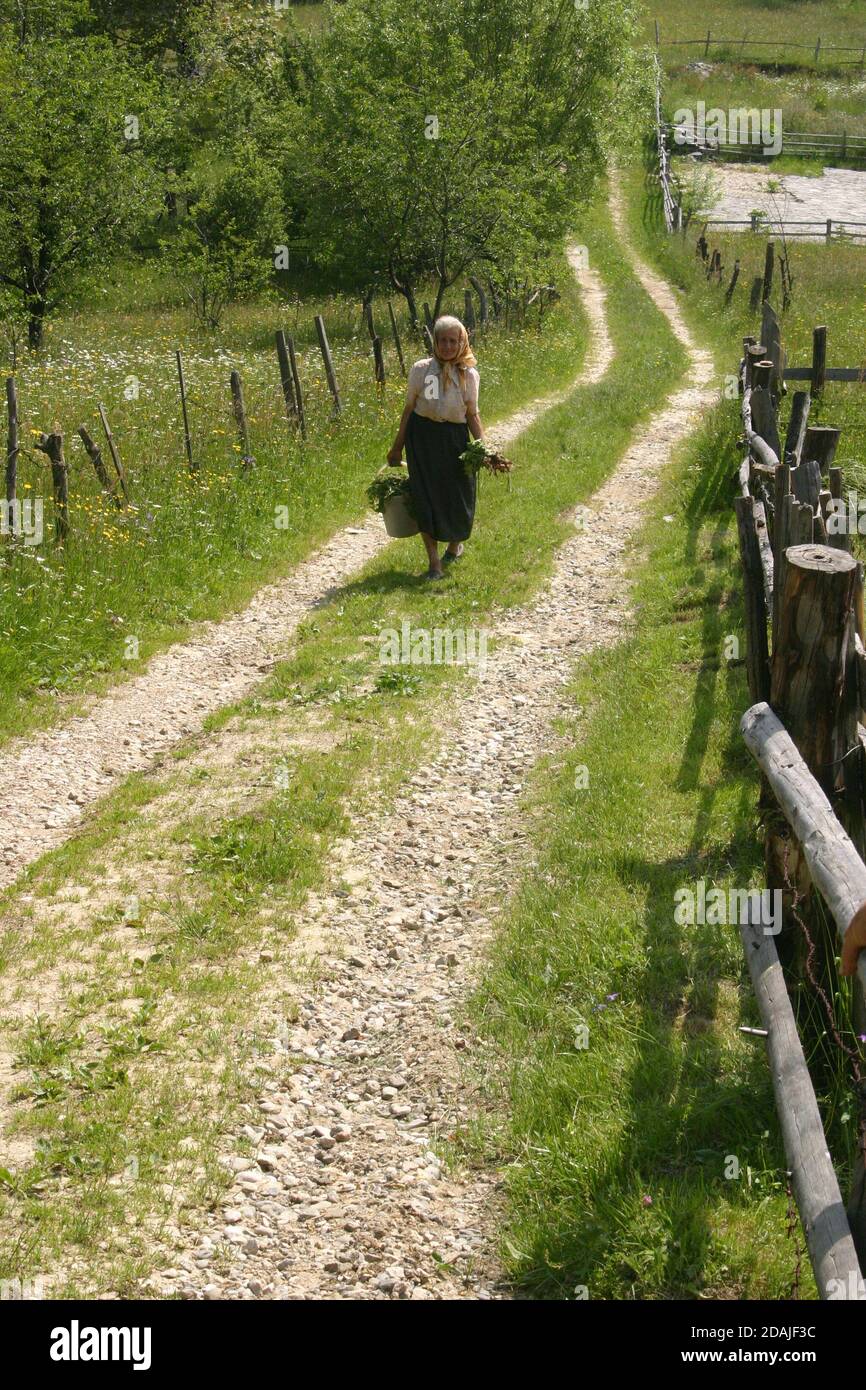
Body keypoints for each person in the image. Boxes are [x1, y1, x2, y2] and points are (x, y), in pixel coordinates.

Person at [387, 315, 484, 580]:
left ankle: (454, 545)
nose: (448, 346)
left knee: (458, 495)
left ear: (462, 342)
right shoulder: (422, 370)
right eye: (443, 340)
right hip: (423, 439)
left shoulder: (469, 374)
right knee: (425, 497)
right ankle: (434, 563)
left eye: (453, 341)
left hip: (455, 439)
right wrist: (397, 447)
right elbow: (408, 410)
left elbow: (472, 414)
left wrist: (483, 448)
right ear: (435, 342)